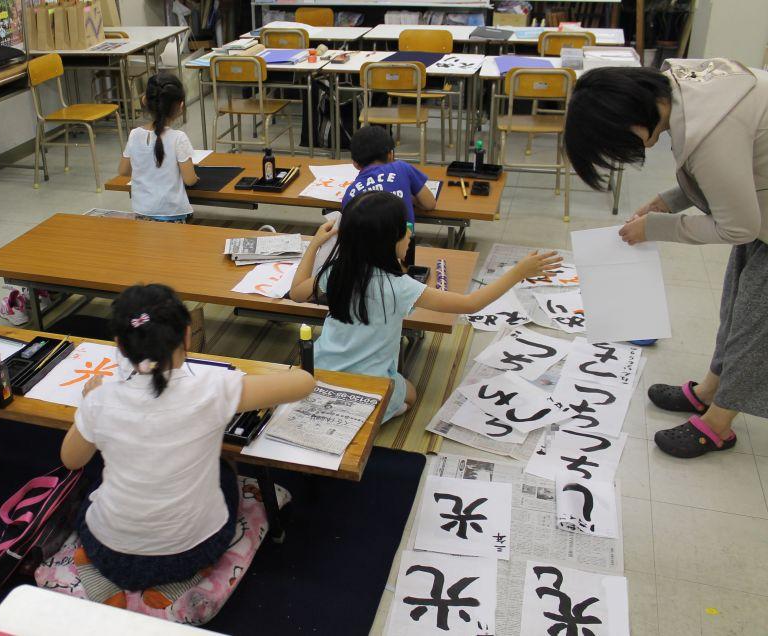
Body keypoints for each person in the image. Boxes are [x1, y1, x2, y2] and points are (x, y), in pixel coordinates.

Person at [564, 59, 768, 458]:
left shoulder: (710, 132)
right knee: (736, 305)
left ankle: (718, 424)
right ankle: (710, 390)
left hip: (755, 217)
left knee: (756, 324)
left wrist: (657, 227)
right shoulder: (680, 87)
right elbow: (722, 172)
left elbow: (737, 227)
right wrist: (667, 201)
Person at [59, 284, 314, 593]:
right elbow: (303, 383)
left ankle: (105, 582)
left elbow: (71, 460)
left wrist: (90, 401)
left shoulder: (100, 401)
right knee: (224, 470)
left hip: (110, 552)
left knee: (93, 490)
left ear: (120, 346)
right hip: (194, 551)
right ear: (188, 336)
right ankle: (184, 583)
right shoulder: (213, 386)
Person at [290, 191, 561, 421]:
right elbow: (470, 303)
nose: (410, 234)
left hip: (320, 370)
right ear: (389, 241)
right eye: (405, 229)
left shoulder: (338, 270)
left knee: (399, 390)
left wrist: (314, 245)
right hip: (370, 383)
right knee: (410, 396)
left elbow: (296, 293)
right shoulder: (400, 286)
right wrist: (518, 272)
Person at [118, 73, 199, 222]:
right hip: (173, 213)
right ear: (180, 106)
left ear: (144, 100)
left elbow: (123, 171)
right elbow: (189, 180)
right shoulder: (178, 138)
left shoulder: (134, 134)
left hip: (141, 213)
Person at [341, 125, 437, 224]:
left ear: (355, 163)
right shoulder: (402, 168)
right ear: (390, 155)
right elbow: (429, 204)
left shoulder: (350, 193)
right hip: (405, 238)